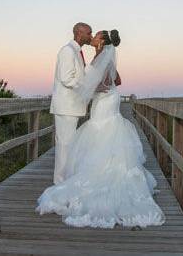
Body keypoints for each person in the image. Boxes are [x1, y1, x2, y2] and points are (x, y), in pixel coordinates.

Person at [36, 29, 166, 229]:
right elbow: (117, 81)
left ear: (101, 41)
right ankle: (102, 166)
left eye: (96, 35)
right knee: (101, 133)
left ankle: (93, 174)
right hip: (108, 100)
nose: (93, 37)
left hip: (104, 101)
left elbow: (102, 83)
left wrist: (92, 86)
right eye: (92, 33)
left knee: (99, 130)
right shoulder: (103, 56)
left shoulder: (101, 57)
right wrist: (102, 84)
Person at [49, 22, 93, 184]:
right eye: (88, 33)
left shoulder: (77, 52)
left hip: (71, 106)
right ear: (78, 33)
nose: (90, 36)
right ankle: (59, 183)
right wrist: (85, 87)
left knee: (68, 144)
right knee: (64, 145)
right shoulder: (67, 51)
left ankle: (64, 179)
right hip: (66, 106)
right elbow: (66, 78)